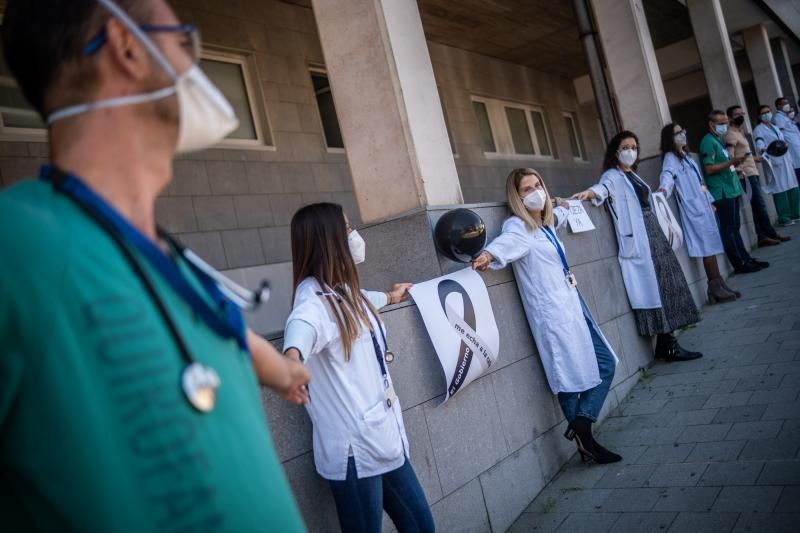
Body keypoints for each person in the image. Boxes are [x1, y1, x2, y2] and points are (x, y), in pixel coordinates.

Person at [0, 0, 309, 530]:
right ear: (127, 48)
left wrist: (285, 372)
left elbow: (221, 333)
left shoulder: (172, 266)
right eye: (181, 41)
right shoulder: (17, 244)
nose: (194, 66)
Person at [282, 203, 434, 533]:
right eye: (347, 229)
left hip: (381, 435)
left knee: (422, 526)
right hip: (353, 450)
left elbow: (366, 302)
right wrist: (292, 361)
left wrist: (393, 297)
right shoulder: (313, 301)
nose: (354, 237)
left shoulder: (345, 291)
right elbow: (302, 327)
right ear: (329, 240)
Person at [471, 168, 621, 464]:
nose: (535, 191)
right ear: (517, 197)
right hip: (551, 313)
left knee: (606, 361)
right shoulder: (519, 226)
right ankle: (584, 438)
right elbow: (506, 243)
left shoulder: (545, 223)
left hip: (572, 305)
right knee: (567, 375)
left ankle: (580, 427)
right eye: (527, 189)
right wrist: (488, 255)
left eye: (537, 184)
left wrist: (563, 202)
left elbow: (559, 213)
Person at [573, 131, 703, 362]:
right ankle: (669, 345)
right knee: (657, 288)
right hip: (641, 238)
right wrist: (589, 193)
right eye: (625, 147)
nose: (630, 151)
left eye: (634, 146)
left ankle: (665, 343)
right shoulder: (612, 175)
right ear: (616, 151)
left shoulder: (633, 174)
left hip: (653, 234)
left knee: (666, 285)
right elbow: (603, 189)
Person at [657, 124, 739, 303]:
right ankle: (714, 286)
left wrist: (709, 200)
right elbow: (668, 175)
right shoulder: (671, 158)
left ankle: (718, 284)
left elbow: (700, 182)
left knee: (711, 245)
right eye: (678, 133)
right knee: (706, 248)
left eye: (683, 131)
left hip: (703, 207)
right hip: (692, 209)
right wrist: (663, 189)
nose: (682, 134)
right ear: (669, 138)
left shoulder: (686, 157)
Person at [700, 110, 768, 273]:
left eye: (726, 122)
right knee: (728, 229)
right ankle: (739, 263)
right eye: (721, 123)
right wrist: (732, 161)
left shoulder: (719, 140)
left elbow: (723, 164)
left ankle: (746, 258)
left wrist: (734, 166)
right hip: (722, 192)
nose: (725, 126)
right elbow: (709, 168)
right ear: (711, 125)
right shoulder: (708, 142)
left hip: (731, 188)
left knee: (735, 226)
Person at [726, 105, 790, 246]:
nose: (740, 116)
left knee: (757, 206)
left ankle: (762, 236)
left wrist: (755, 157)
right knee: (759, 205)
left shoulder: (739, 131)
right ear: (730, 118)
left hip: (752, 171)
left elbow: (743, 153)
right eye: (737, 114)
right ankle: (770, 234)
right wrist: (737, 170)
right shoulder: (730, 133)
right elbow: (730, 156)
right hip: (745, 175)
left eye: (742, 113)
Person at [754, 104, 800, 226]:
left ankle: (796, 213)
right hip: (774, 162)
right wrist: (763, 149)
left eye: (768, 111)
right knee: (779, 188)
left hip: (786, 160)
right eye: (764, 113)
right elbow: (759, 142)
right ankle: (784, 217)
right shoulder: (759, 129)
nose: (767, 114)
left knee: (792, 186)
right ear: (759, 116)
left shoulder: (775, 127)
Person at [774, 96, 800, 185]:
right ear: (778, 106)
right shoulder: (779, 117)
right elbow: (781, 134)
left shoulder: (786, 116)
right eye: (784, 103)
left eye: (787, 103)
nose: (787, 105)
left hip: (797, 148)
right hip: (793, 151)